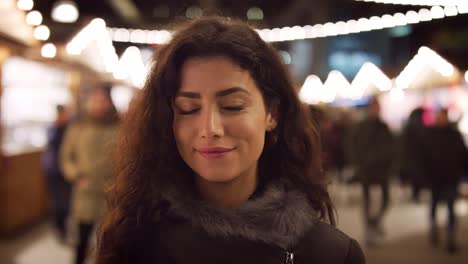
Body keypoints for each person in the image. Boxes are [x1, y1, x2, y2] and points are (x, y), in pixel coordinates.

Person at [95, 17, 365, 264]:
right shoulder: (133, 242)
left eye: (233, 106)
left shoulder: (331, 254)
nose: (210, 128)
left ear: (272, 114)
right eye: (188, 109)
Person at [60, 85, 119, 264]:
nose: (99, 104)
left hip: (111, 195)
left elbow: (128, 159)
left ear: (109, 102)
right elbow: (66, 156)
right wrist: (76, 175)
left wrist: (120, 181)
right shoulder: (78, 127)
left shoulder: (120, 128)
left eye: (103, 100)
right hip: (85, 193)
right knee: (82, 241)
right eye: (96, 100)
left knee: (108, 244)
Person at [349, 96, 395, 246]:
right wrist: (359, 162)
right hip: (366, 170)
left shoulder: (384, 127)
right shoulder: (361, 127)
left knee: (386, 200)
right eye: (374, 107)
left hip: (382, 170)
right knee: (367, 201)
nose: (376, 110)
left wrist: (389, 163)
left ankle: (375, 222)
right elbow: (353, 146)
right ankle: (369, 229)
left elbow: (391, 147)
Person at [421, 108, 468, 254]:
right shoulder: (430, 135)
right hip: (435, 178)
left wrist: (463, 173)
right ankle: (434, 230)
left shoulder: (454, 135)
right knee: (434, 206)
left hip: (450, 178)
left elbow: (463, 155)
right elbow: (424, 158)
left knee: (451, 208)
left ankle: (450, 239)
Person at [42, 104, 71, 241]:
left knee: (65, 199)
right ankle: (58, 226)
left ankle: (63, 226)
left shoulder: (70, 127)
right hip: (53, 169)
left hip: (65, 169)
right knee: (56, 200)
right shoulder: (53, 127)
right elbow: (50, 142)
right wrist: (58, 126)